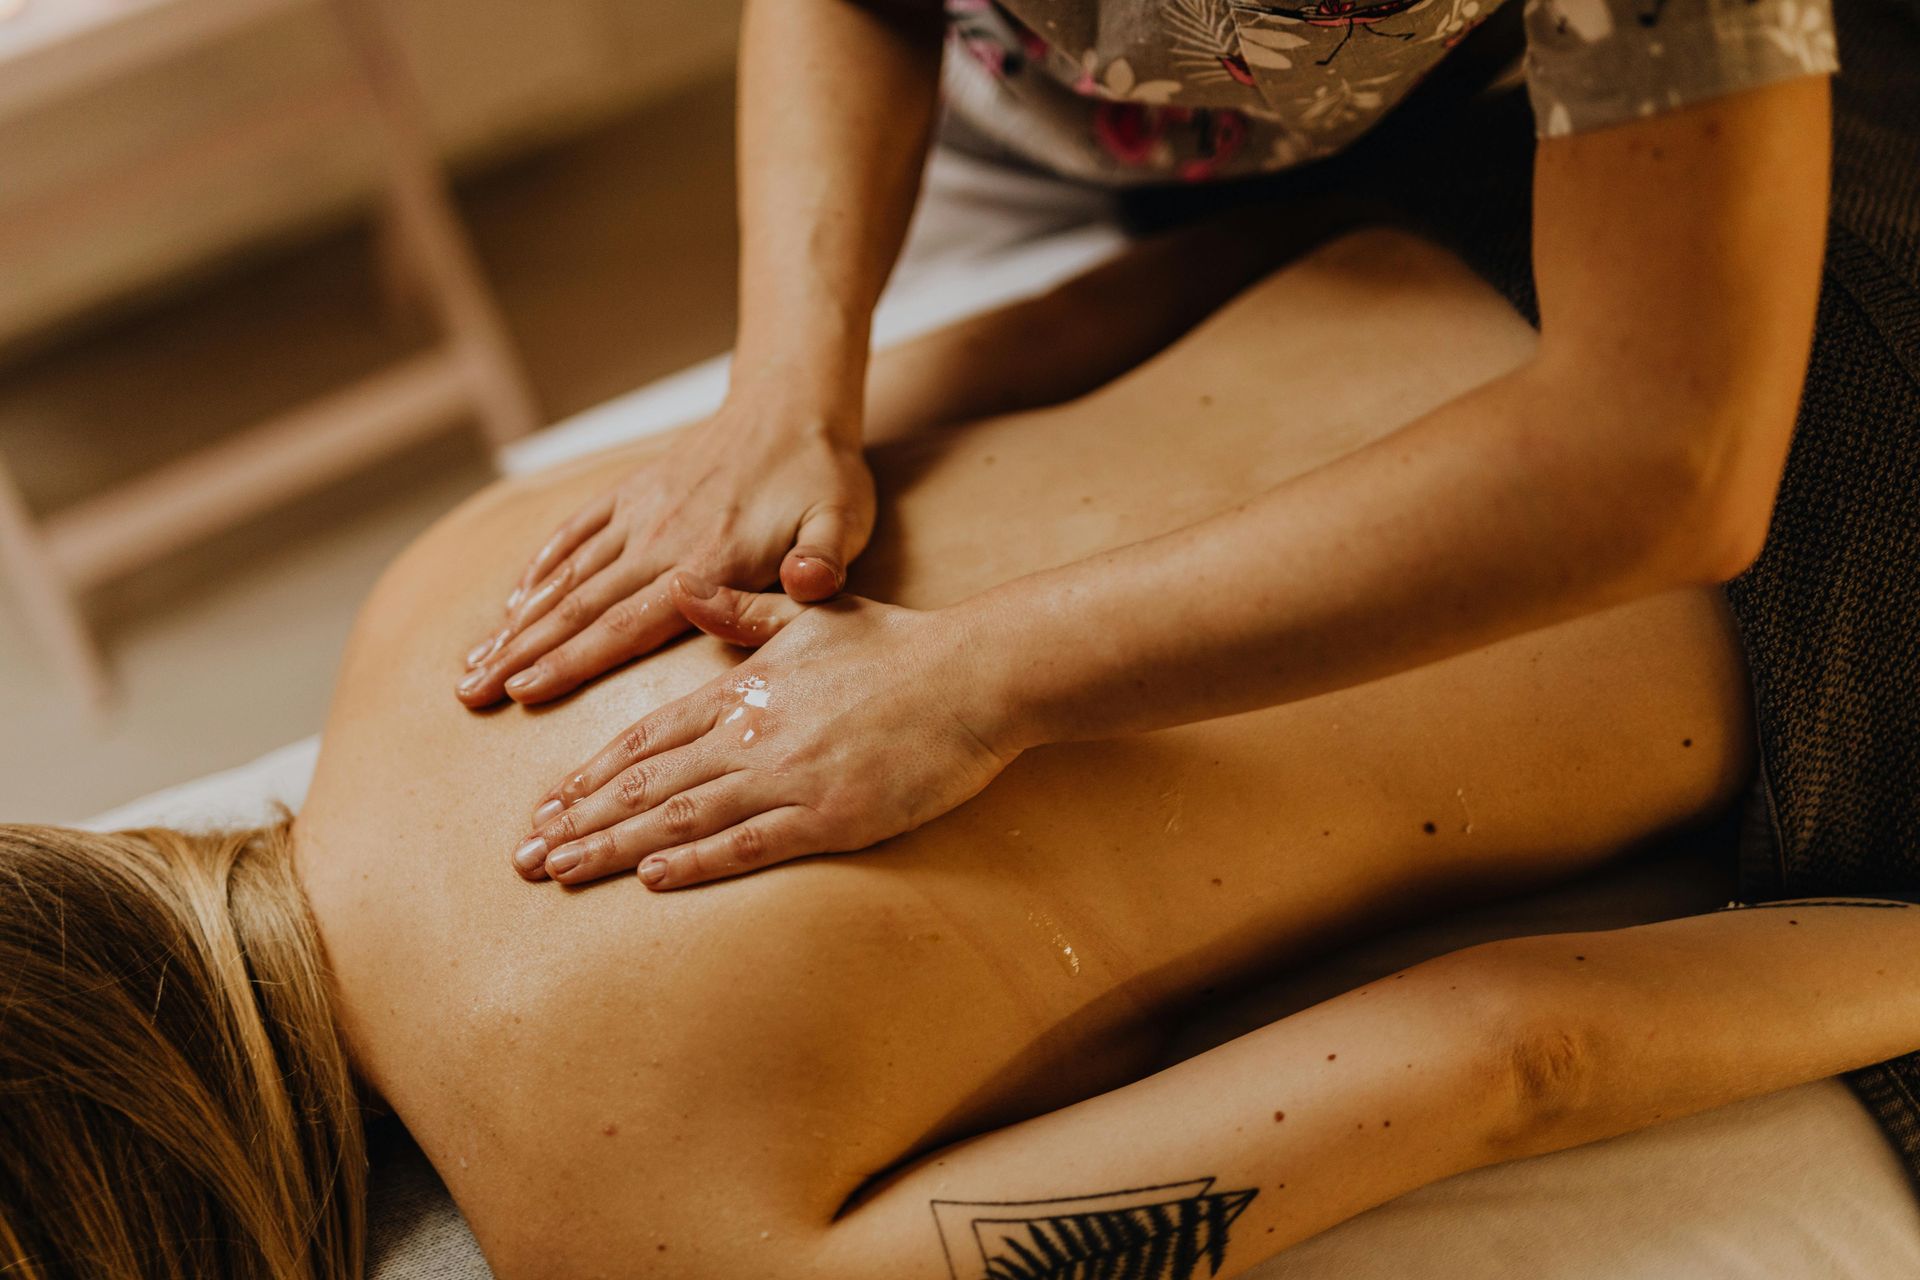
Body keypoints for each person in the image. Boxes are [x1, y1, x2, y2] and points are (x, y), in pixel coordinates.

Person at [8, 228, 1920, 1280]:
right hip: (1611, 261)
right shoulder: (442, 589)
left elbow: (1515, 1050)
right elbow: (1079, 317)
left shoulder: (646, 1243)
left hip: (1829, 579)